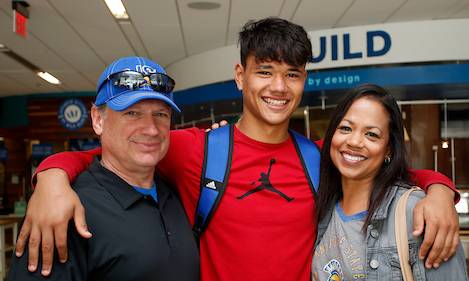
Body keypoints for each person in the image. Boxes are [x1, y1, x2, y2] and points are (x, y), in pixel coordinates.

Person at [15, 18, 459, 281]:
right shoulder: (195, 151)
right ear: (240, 76)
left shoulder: (316, 157)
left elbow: (378, 164)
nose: (279, 87)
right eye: (264, 71)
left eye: (292, 74)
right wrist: (51, 177)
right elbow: (116, 154)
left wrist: (439, 190)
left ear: (304, 81)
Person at [8, 56, 199, 281]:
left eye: (160, 114)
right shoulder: (63, 212)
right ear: (98, 120)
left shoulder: (176, 190)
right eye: (132, 113)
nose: (151, 129)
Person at [312, 84, 468, 281]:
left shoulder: (417, 212)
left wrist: (441, 190)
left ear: (389, 150)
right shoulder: (322, 208)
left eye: (371, 134)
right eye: (345, 128)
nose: (354, 141)